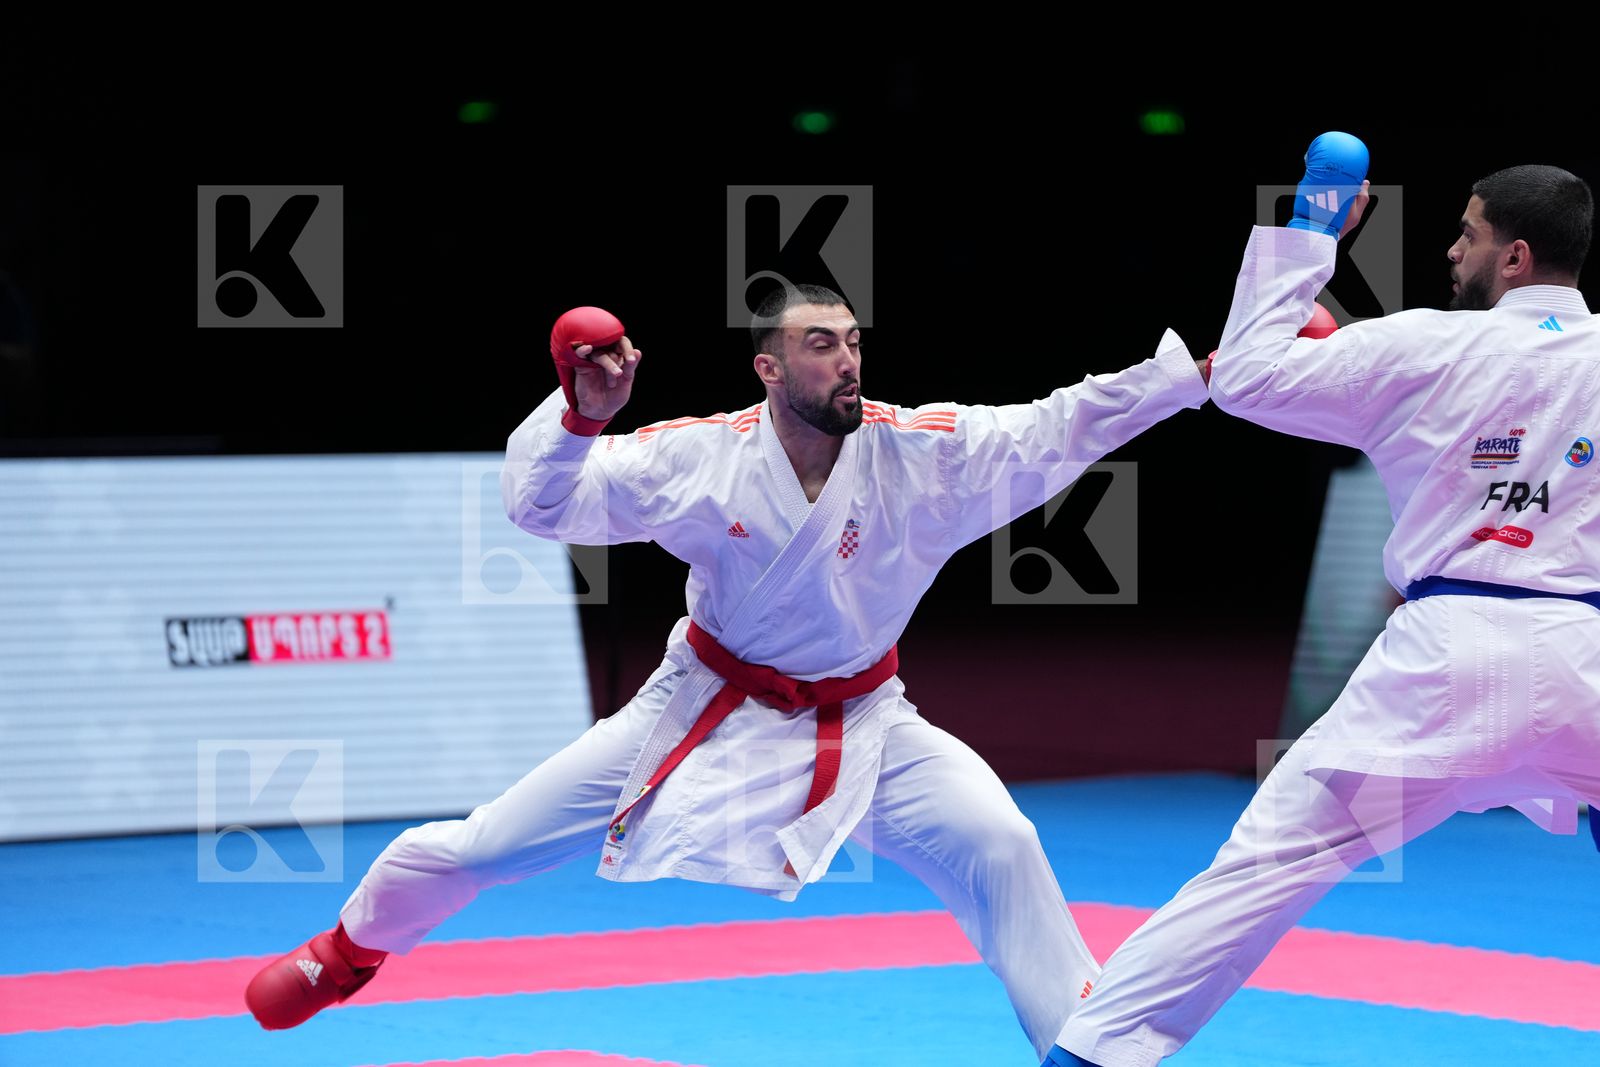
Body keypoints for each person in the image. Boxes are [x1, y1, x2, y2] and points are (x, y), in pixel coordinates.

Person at [245, 283, 1210, 1061]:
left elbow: (1063, 422)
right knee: (486, 845)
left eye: (854, 342)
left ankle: (1091, 1052)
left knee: (1001, 841)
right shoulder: (703, 458)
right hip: (702, 707)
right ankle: (347, 950)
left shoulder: (923, 454)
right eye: (821, 345)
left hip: (864, 718)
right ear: (769, 368)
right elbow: (542, 507)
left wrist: (1192, 377)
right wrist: (580, 417)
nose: (848, 361)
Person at [1046, 140, 1599, 1066]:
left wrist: (1315, 228)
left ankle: (1093, 1054)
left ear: (1514, 255)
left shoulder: (1423, 344)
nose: (1451, 251)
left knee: (1264, 866)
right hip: (1585, 658)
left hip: (1443, 663)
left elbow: (1246, 376)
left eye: (1467, 236)